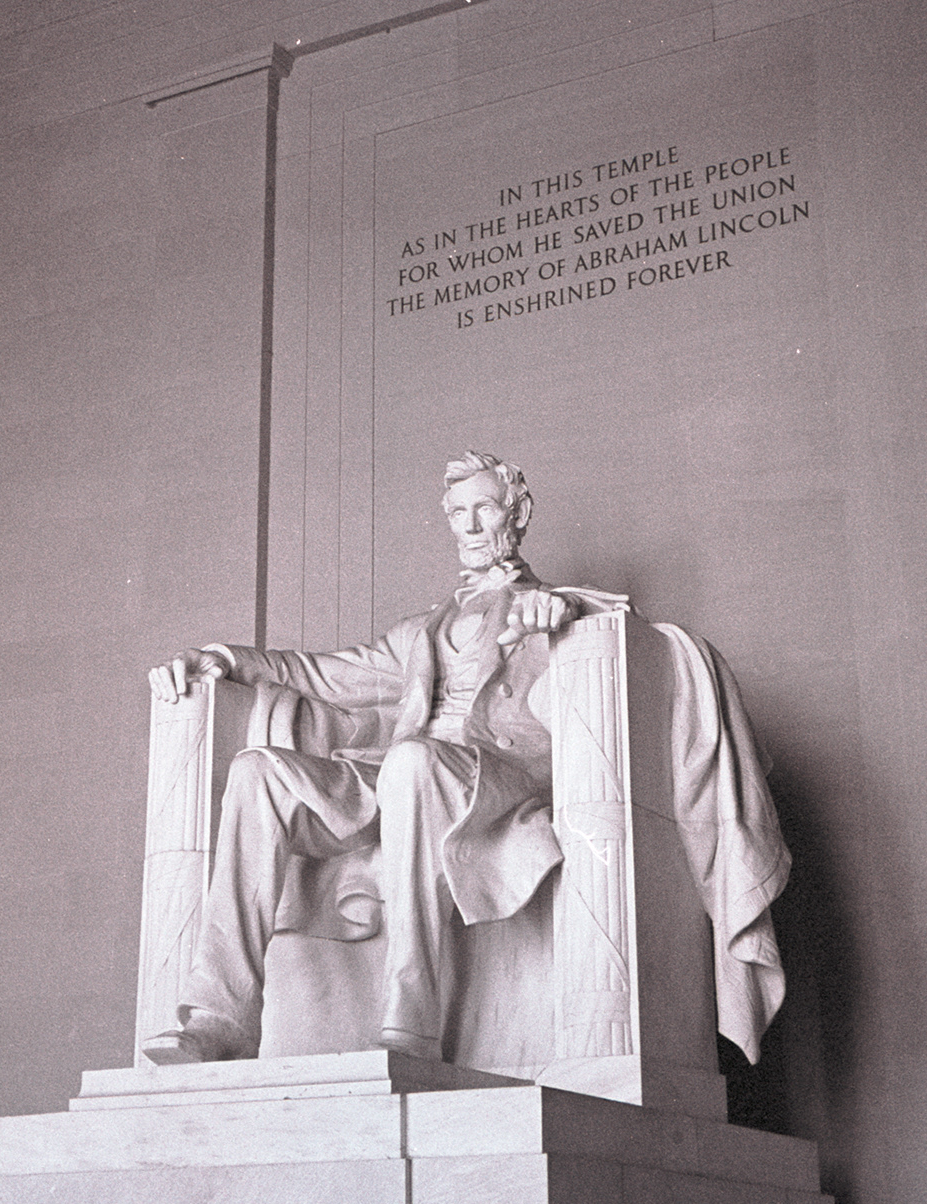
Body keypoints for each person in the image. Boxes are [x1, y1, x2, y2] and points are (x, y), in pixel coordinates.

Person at [141, 451, 611, 1063]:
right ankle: (222, 1018)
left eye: (485, 509)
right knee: (258, 772)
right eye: (457, 513)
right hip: (402, 774)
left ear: (517, 514)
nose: (470, 526)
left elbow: (614, 626)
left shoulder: (552, 608)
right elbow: (325, 673)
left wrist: (564, 614)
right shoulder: (421, 632)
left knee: (413, 761)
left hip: (493, 780)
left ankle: (411, 1020)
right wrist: (225, 659)